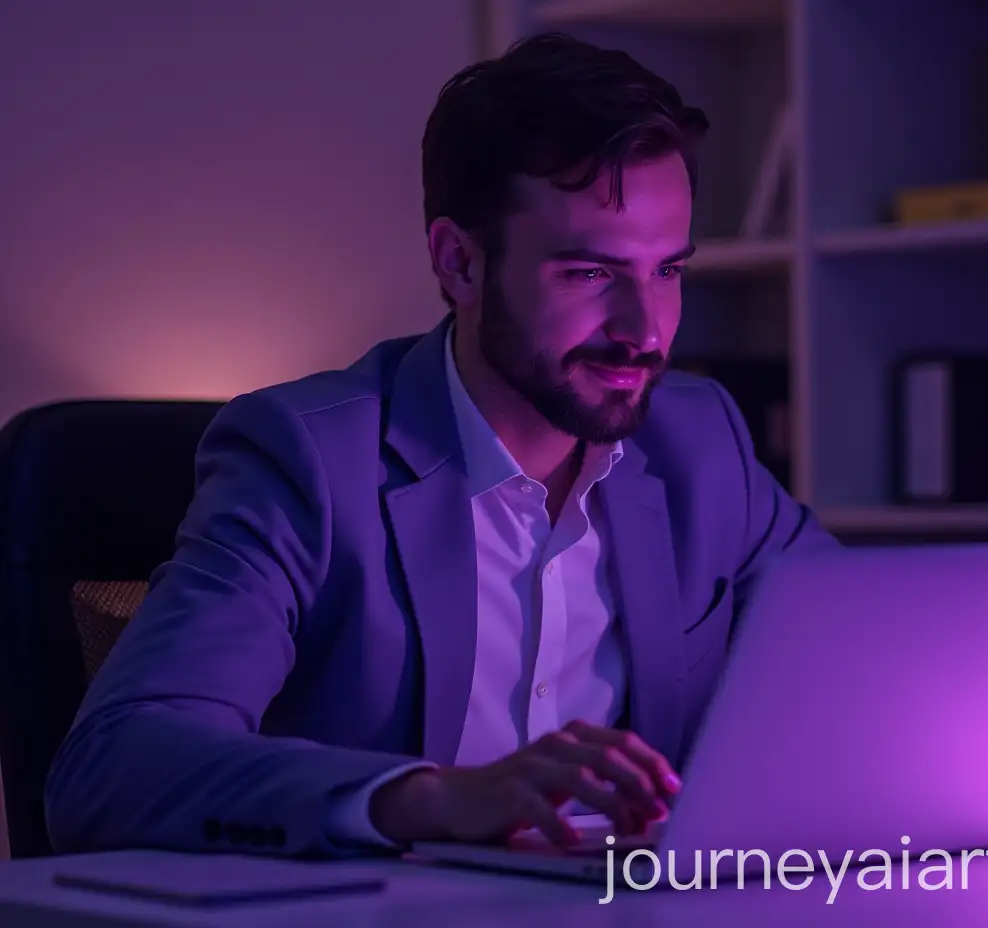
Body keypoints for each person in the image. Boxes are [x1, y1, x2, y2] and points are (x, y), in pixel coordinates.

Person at [44, 32, 837, 860]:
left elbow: (870, 665)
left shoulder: (698, 443)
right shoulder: (308, 463)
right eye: (590, 275)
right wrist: (432, 799)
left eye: (667, 271)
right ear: (459, 262)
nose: (646, 330)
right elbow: (109, 770)